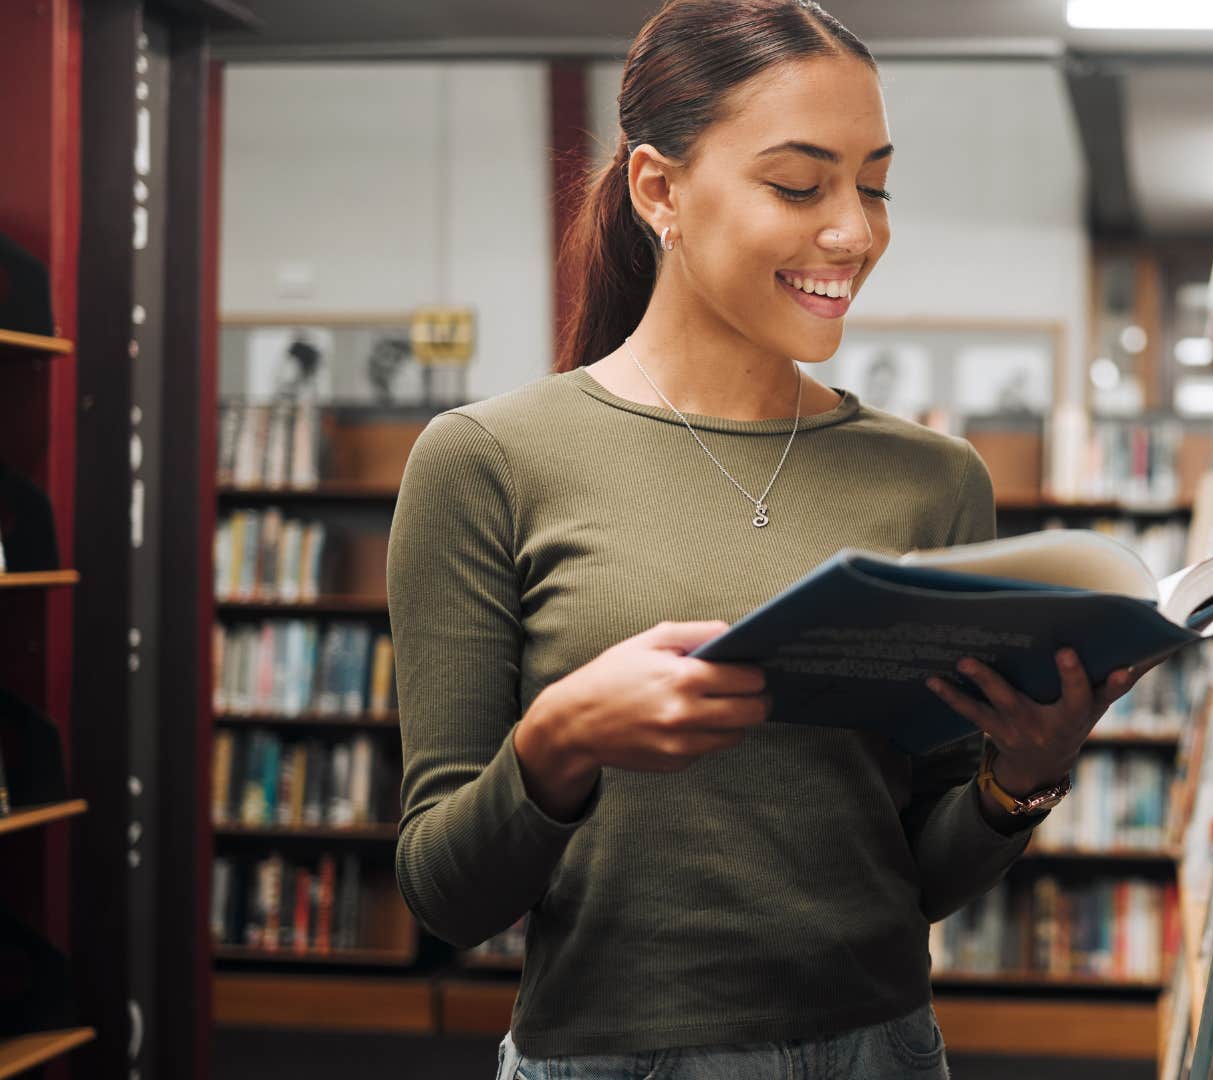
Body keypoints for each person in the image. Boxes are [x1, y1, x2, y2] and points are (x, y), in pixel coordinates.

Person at [385, 2, 1161, 1078]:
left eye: (874, 183)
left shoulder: (934, 481)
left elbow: (916, 882)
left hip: (885, 1052)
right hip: (615, 1059)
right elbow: (447, 892)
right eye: (800, 184)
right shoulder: (487, 461)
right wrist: (558, 742)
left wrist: (1017, 782)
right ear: (660, 190)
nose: (855, 231)